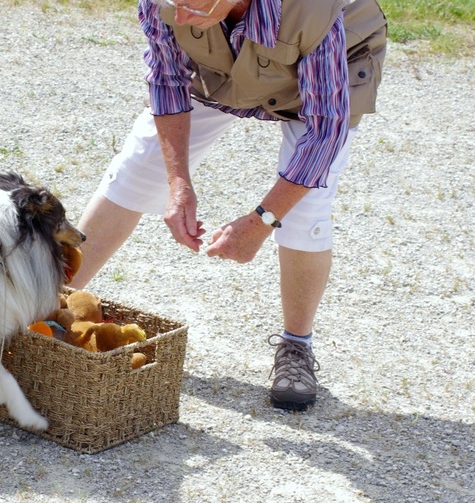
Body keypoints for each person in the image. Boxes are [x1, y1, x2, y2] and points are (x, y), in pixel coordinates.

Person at [72, 0, 387, 410]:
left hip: (323, 76)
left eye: (190, 5)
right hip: (221, 72)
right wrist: (178, 181)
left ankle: (297, 347)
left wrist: (262, 221)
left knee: (304, 213)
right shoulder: (167, 3)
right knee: (136, 170)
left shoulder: (313, 9)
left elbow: (324, 135)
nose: (179, 16)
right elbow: (167, 82)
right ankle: (52, 306)